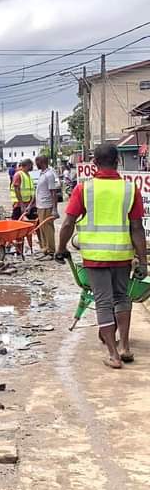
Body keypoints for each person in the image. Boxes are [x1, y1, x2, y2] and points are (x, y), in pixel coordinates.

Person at [56, 144, 148, 369]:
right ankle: (125, 347)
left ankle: (114, 356)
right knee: (122, 298)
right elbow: (137, 228)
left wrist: (61, 248)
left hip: (95, 257)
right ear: (118, 162)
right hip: (122, 255)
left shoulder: (84, 189)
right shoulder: (130, 189)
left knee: (103, 302)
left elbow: (68, 223)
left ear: (94, 163)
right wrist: (143, 261)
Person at [33, 155, 61, 258]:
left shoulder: (49, 175)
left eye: (37, 162)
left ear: (42, 162)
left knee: (48, 228)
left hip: (47, 206)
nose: (36, 164)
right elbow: (39, 191)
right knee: (43, 228)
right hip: (40, 206)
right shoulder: (42, 174)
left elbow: (53, 193)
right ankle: (45, 247)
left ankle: (51, 250)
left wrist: (54, 209)